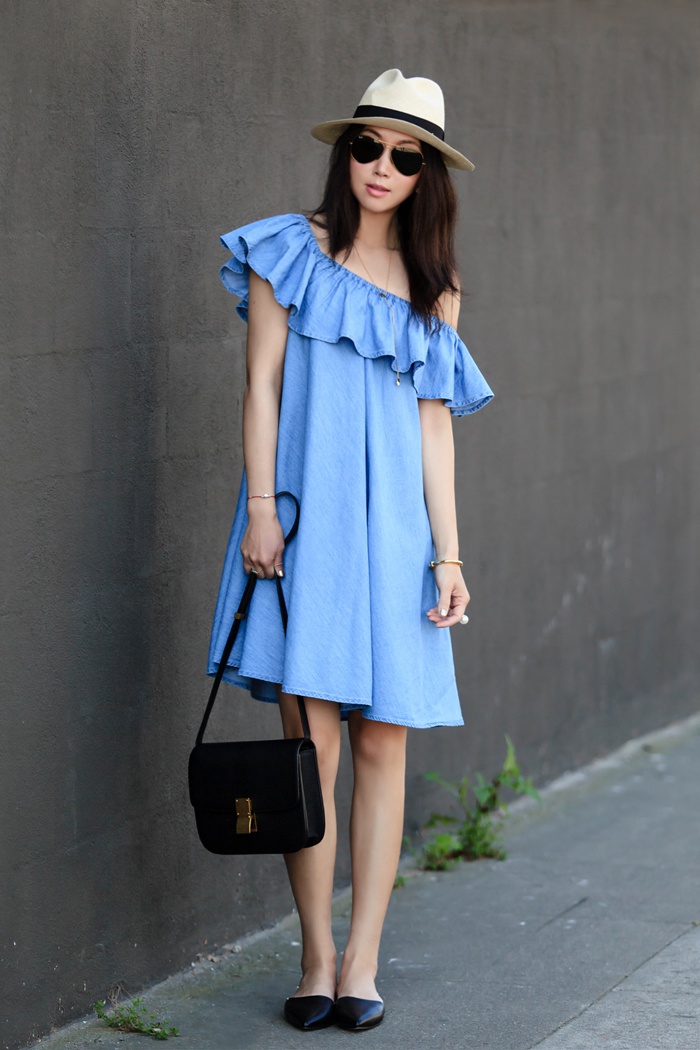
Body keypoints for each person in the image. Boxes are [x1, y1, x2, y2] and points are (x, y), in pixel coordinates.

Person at [207, 69, 493, 1032]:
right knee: (312, 745)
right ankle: (316, 957)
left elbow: (435, 428)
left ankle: (364, 960)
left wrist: (449, 557)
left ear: (426, 176)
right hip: (303, 528)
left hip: (397, 540)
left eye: (404, 157)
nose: (381, 167)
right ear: (347, 152)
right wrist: (260, 510)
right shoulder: (287, 249)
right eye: (368, 146)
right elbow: (261, 387)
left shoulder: (435, 286)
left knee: (381, 742)